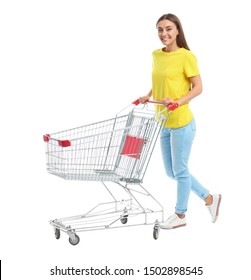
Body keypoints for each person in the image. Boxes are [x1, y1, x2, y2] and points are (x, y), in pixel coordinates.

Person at [139, 13, 221, 229]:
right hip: (163, 121)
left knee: (181, 171)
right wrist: (148, 95)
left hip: (182, 122)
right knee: (171, 172)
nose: (163, 34)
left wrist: (177, 102)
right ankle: (210, 199)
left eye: (168, 29)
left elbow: (198, 87)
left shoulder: (186, 56)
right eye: (159, 29)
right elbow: (160, 81)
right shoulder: (156, 54)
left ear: (177, 31)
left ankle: (180, 216)